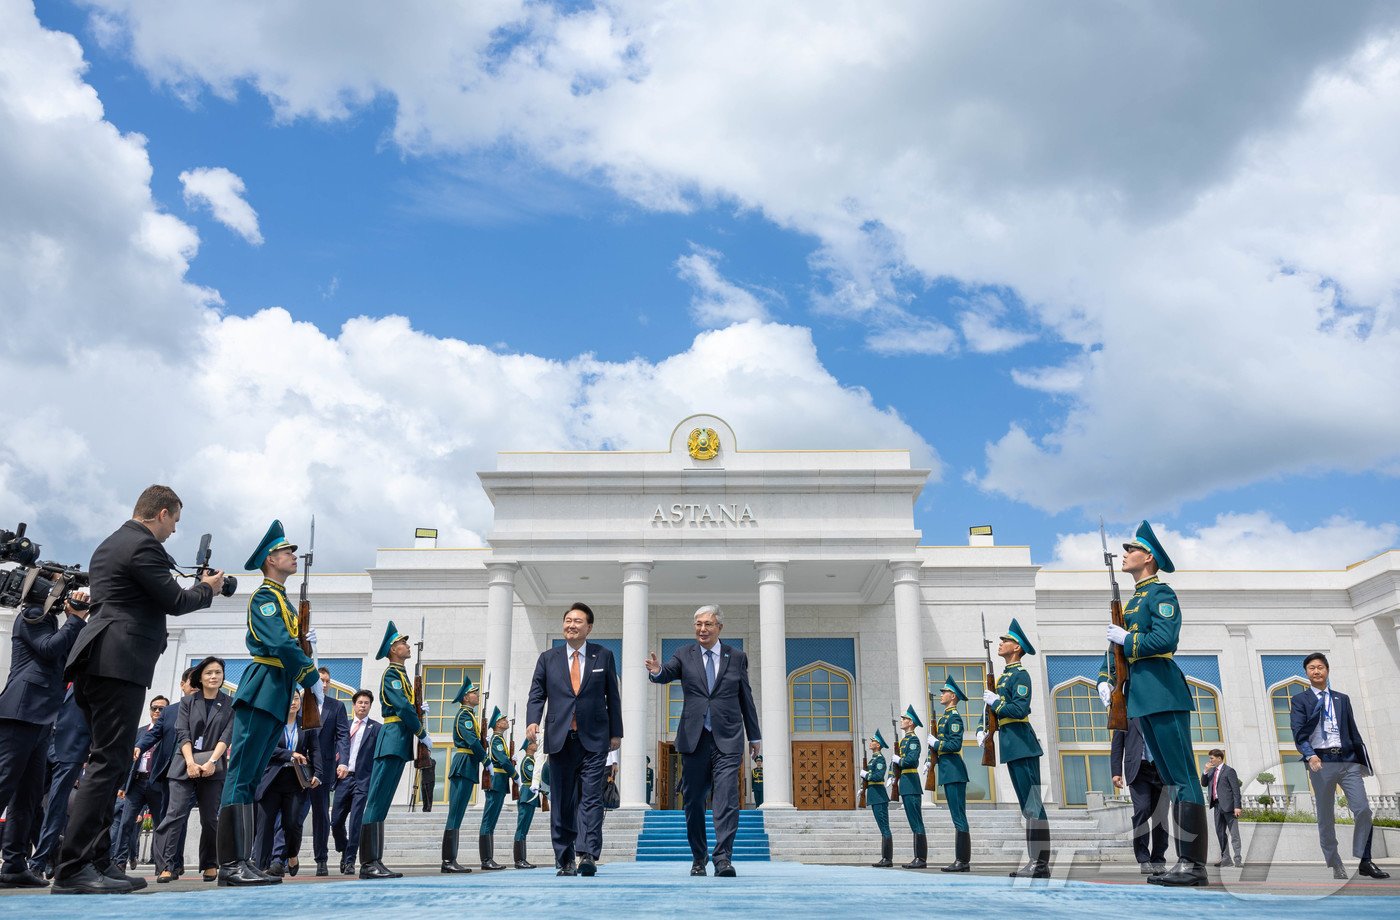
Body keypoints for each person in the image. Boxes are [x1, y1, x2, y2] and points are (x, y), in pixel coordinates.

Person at [55, 485, 223, 895]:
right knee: (105, 762)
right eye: (174, 522)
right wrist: (210, 589)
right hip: (117, 662)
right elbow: (175, 600)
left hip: (99, 659)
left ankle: (96, 860)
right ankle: (74, 867)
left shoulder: (111, 542)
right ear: (161, 513)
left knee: (108, 762)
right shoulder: (141, 545)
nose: (173, 532)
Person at [1099, 521, 1207, 887]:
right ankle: (1185, 861)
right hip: (1141, 697)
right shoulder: (1133, 601)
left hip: (1161, 689)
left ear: (1149, 557)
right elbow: (1117, 649)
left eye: (1132, 549)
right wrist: (1105, 677)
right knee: (1173, 781)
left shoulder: (1162, 594)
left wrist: (1128, 640)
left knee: (1183, 778)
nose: (1125, 554)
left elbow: (1164, 638)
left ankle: (1194, 864)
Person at [216, 520, 323, 887]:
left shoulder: (282, 601)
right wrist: (309, 676)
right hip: (263, 688)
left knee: (251, 778)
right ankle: (231, 863)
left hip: (276, 692)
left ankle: (243, 859)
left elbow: (290, 641)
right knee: (241, 776)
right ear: (270, 559)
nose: (293, 556)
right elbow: (279, 645)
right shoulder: (265, 598)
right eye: (286, 551)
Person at [644, 605, 760, 878]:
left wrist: (754, 736)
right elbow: (667, 673)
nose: (702, 629)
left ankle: (723, 859)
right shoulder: (685, 654)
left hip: (728, 738)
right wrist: (658, 670)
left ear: (719, 627)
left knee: (727, 798)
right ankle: (699, 857)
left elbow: (746, 698)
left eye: (707, 624)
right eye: (698, 624)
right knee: (693, 800)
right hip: (694, 739)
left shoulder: (737, 657)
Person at [526, 602, 623, 877]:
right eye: (568, 620)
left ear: (589, 627)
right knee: (563, 801)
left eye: (578, 621)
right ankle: (565, 858)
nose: (571, 625)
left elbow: (612, 696)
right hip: (560, 739)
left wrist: (616, 732)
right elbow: (537, 694)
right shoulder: (548, 658)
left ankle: (588, 854)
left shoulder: (603, 656)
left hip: (594, 739)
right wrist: (532, 720)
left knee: (591, 798)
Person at [0, 588, 88, 889]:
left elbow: (66, 657)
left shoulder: (53, 620)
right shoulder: (33, 614)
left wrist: (75, 620)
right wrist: (74, 619)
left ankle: (13, 865)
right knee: (3, 785)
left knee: (27, 798)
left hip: (41, 717)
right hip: (20, 712)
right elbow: (50, 649)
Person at [1290, 652, 1390, 880]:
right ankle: (1335, 862)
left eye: (1320, 667)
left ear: (1327, 670)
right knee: (1326, 816)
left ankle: (1365, 860)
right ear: (1306, 673)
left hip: (1346, 761)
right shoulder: (1300, 700)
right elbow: (1298, 732)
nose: (1316, 671)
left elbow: (1352, 730)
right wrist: (1310, 756)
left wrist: (1360, 760)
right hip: (1320, 763)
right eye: (1312, 668)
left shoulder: (1341, 699)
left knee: (1363, 809)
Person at [978, 617, 1050, 879]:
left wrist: (996, 703)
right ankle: (1035, 862)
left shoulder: (1021, 675)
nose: (1001, 643)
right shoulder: (1004, 677)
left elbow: (1019, 709)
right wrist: (982, 727)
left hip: (1022, 743)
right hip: (1011, 745)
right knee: (1026, 807)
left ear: (1017, 647)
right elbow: (993, 710)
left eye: (1006, 640)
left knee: (1033, 805)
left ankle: (1040, 863)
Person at [357, 621, 430, 880]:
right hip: (391, 739)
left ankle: (375, 859)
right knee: (377, 800)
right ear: (392, 649)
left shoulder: (401, 675)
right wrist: (421, 732)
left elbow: (409, 706)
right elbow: (402, 707)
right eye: (402, 643)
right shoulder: (391, 675)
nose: (407, 646)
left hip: (399, 741)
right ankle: (368, 863)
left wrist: (419, 713)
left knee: (384, 802)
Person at [154, 655, 233, 883]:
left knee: (210, 819)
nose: (214, 676)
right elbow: (182, 733)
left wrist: (212, 762)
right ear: (200, 676)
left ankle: (210, 863)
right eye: (209, 672)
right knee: (175, 815)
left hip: (213, 768)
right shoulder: (188, 702)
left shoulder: (228, 703)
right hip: (183, 767)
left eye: (218, 672)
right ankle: (167, 865)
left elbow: (226, 735)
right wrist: (190, 762)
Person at [131, 671, 196, 879]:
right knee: (167, 820)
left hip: (194, 773)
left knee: (180, 820)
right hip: (167, 774)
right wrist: (140, 746)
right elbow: (153, 734)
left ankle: (174, 863)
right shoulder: (169, 712)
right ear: (182, 685)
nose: (195, 686)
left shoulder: (206, 710)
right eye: (191, 682)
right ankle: (164, 865)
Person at [30, 682, 96, 879]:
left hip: (71, 749)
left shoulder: (90, 679)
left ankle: (38, 862)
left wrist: (90, 750)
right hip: (41, 744)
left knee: (55, 806)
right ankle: (51, 851)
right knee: (29, 803)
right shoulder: (55, 674)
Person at [253, 694, 321, 875]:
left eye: (296, 699)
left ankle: (292, 854)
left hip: (295, 780)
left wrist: (318, 774)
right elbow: (265, 746)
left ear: (300, 702)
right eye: (289, 698)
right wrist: (289, 754)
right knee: (265, 825)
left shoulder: (306, 724)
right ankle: (261, 866)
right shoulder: (273, 722)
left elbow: (315, 750)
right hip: (271, 780)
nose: (293, 702)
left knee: (292, 823)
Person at [109, 695, 164, 874]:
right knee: (125, 824)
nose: (157, 711)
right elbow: (128, 760)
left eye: (161, 709)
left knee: (160, 825)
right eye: (154, 708)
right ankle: (119, 862)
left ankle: (161, 864)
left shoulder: (170, 732)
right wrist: (123, 785)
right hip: (136, 782)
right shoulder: (140, 732)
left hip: (157, 783)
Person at [303, 668, 348, 876]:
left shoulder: (336, 706)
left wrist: (343, 762)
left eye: (327, 681)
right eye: (320, 680)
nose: (324, 684)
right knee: (291, 814)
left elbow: (342, 737)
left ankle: (321, 859)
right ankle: (282, 857)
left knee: (321, 816)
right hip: (299, 767)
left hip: (324, 770)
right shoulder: (298, 703)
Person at [1112, 717, 1168, 875]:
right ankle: (1143, 858)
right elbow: (1117, 745)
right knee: (1142, 810)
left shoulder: (1159, 712)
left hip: (1161, 769)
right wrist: (1116, 772)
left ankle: (1158, 860)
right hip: (1138, 770)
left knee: (1161, 816)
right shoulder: (1124, 713)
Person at [332, 690, 379, 874]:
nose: (363, 705)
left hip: (362, 780)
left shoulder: (376, 728)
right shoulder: (345, 726)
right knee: (336, 821)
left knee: (355, 822)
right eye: (360, 702)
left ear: (370, 706)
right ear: (354, 705)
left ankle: (350, 860)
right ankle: (344, 848)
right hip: (343, 779)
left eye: (366, 703)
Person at [442, 676, 485, 874]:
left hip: (467, 765)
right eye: (474, 693)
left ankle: (451, 859)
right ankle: (448, 860)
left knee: (458, 814)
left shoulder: (469, 715)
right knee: (455, 813)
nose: (477, 695)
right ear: (466, 697)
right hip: (463, 764)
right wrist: (486, 760)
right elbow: (472, 741)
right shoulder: (465, 716)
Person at [931, 676, 971, 873]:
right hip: (948, 772)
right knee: (956, 816)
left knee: (959, 817)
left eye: (944, 692)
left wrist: (936, 744)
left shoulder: (954, 717)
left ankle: (962, 861)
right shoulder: (945, 717)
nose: (941, 695)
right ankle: (961, 860)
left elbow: (955, 745)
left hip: (954, 772)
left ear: (952, 696)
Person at [478, 707, 516, 870]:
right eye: (504, 720)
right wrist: (515, 774)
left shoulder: (498, 739)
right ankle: (486, 859)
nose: (507, 722)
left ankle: (489, 858)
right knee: (488, 820)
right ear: (498, 724)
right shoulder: (497, 740)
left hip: (499, 782)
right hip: (496, 781)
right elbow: (502, 760)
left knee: (491, 821)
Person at [892, 704, 926, 869]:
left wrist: (900, 761)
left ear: (911, 722)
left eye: (905, 718)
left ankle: (921, 858)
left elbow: (911, 761)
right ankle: (917, 857)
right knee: (913, 823)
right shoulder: (904, 740)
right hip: (905, 783)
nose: (902, 720)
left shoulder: (913, 740)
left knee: (917, 822)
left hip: (911, 783)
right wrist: (893, 775)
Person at [1201, 749, 1242, 869]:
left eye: (1212, 758)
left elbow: (1236, 790)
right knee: (1220, 833)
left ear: (1219, 758)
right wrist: (1205, 771)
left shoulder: (1229, 771)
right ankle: (1226, 859)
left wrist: (1237, 806)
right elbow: (1204, 784)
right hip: (1217, 806)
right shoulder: (1211, 771)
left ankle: (1238, 859)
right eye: (1210, 758)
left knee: (1234, 834)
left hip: (1229, 807)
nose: (1210, 760)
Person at [863, 729, 892, 867]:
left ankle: (887, 859)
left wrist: (866, 776)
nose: (871, 743)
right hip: (874, 796)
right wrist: (863, 787)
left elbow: (878, 776)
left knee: (885, 828)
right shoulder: (873, 759)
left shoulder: (880, 759)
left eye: (873, 741)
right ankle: (885, 858)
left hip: (879, 796)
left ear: (878, 745)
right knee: (882, 828)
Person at [514, 735, 541, 869]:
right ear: (529, 746)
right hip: (527, 795)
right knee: (522, 828)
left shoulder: (531, 760)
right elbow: (532, 777)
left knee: (524, 828)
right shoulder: (528, 761)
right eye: (534, 743)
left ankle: (522, 858)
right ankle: (519, 859)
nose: (536, 745)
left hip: (529, 796)